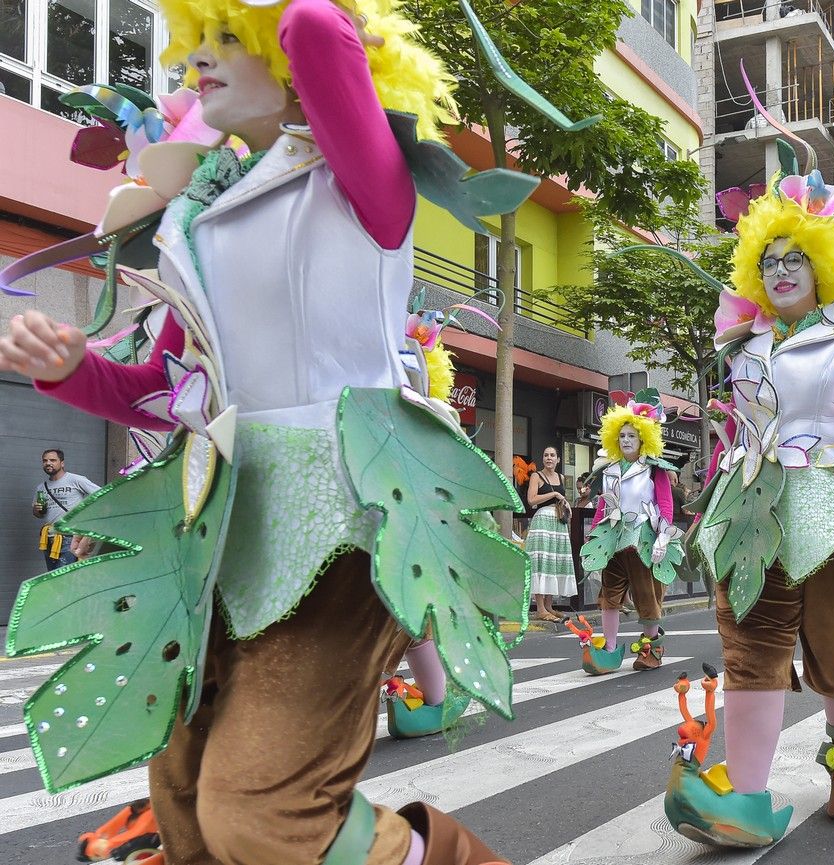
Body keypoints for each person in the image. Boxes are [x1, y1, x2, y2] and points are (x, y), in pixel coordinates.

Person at [0, 1, 549, 862]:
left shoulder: (363, 177)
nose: (197, 65)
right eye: (196, 45)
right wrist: (69, 369)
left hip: (343, 517)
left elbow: (314, 31)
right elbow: (167, 391)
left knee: (260, 813)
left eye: (227, 41)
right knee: (182, 801)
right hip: (217, 530)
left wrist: (296, 22)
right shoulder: (195, 215)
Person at [664, 169, 834, 847]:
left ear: (824, 265)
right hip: (754, 507)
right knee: (748, 640)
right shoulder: (745, 342)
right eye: (769, 261)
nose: (782, 271)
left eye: (796, 259)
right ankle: (748, 796)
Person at [577, 390, 684, 674]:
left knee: (647, 596)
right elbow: (603, 505)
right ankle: (611, 649)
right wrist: (593, 538)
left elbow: (665, 505)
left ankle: (652, 646)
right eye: (622, 436)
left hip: (643, 539)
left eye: (631, 436)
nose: (626, 440)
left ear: (643, 439)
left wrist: (663, 536)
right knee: (608, 596)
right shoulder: (609, 470)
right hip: (613, 540)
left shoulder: (654, 469)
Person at [525, 445, 578, 622]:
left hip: (558, 522)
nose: (549, 458)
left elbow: (562, 499)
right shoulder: (536, 476)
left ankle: (549, 606)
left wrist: (564, 502)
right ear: (543, 459)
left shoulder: (561, 477)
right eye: (546, 455)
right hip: (542, 522)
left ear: (558, 459)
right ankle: (540, 608)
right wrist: (554, 493)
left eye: (552, 455)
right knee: (542, 561)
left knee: (553, 562)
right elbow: (531, 500)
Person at [31, 449, 99, 571]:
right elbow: (38, 515)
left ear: (62, 463)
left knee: (63, 578)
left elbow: (101, 494)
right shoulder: (41, 487)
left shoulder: (76, 480)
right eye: (45, 460)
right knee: (53, 578)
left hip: (70, 538)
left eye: (52, 460)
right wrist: (37, 509)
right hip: (49, 539)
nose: (48, 463)